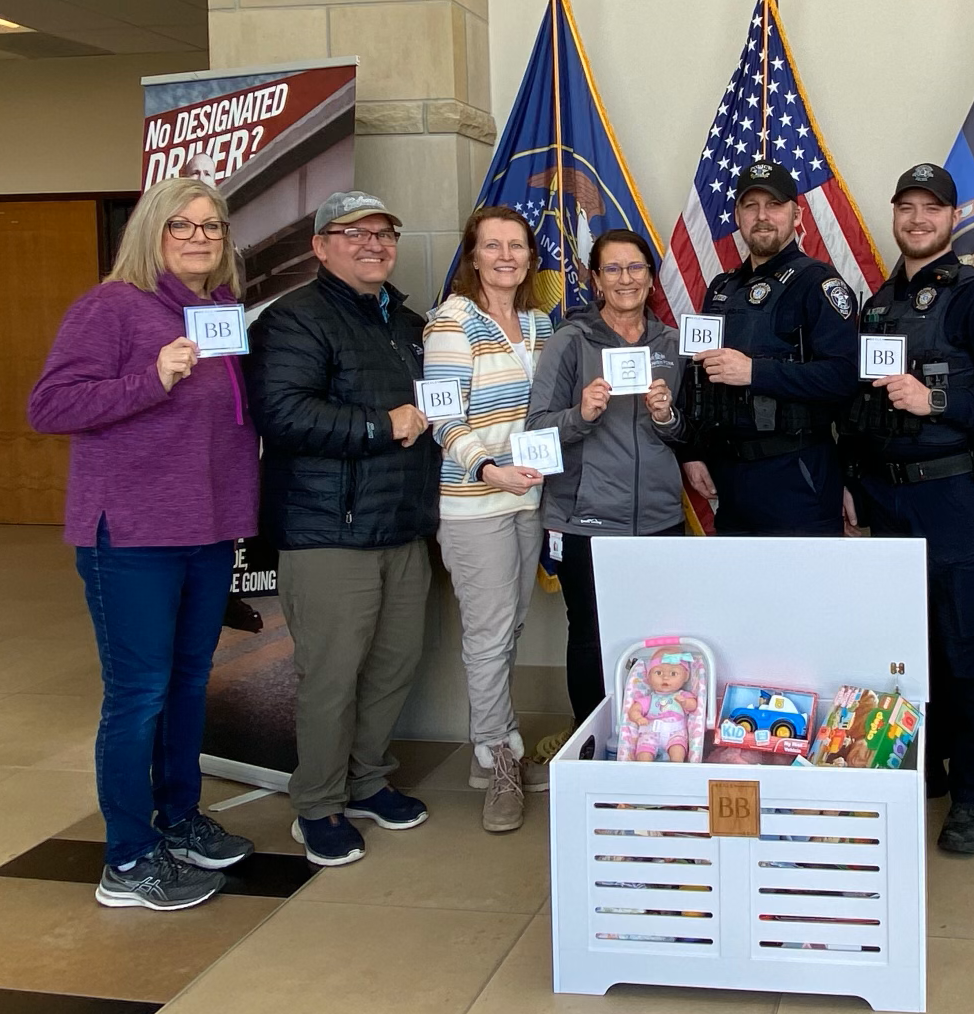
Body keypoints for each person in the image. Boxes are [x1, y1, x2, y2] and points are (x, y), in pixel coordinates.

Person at [28, 175, 256, 911]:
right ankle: (126, 859)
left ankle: (179, 820)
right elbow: (51, 406)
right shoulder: (111, 307)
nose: (199, 237)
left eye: (212, 226)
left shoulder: (222, 310)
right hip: (129, 535)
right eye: (181, 226)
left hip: (206, 528)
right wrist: (150, 378)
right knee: (139, 694)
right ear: (151, 235)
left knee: (190, 684)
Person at [246, 191, 439, 868]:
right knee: (332, 676)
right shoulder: (293, 319)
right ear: (319, 246)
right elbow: (282, 413)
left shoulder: (408, 324)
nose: (373, 244)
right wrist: (380, 425)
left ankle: (365, 780)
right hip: (328, 531)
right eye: (353, 233)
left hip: (402, 525)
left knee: (393, 666)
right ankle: (317, 804)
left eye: (384, 232)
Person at [841, 164, 974, 856]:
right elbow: (859, 405)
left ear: (954, 218)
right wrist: (852, 478)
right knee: (907, 648)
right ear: (894, 214)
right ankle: (929, 766)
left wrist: (937, 401)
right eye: (907, 207)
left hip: (955, 498)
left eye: (932, 208)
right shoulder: (878, 303)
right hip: (888, 497)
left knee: (966, 648)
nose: (918, 219)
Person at [524, 229, 691, 740]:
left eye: (635, 268)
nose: (625, 279)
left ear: (650, 277)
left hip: (661, 518)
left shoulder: (670, 343)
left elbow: (685, 432)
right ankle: (592, 743)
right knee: (593, 637)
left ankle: (655, 739)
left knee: (659, 640)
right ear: (595, 279)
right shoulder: (570, 342)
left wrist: (667, 417)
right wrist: (582, 414)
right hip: (588, 520)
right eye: (613, 269)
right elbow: (535, 430)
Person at [423, 204, 551, 832]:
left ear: (530, 257)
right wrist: (488, 470)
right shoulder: (452, 322)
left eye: (517, 246)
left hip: (528, 501)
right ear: (472, 255)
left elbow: (548, 411)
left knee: (512, 627)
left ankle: (499, 745)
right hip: (476, 504)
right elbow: (442, 418)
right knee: (489, 636)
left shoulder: (538, 324)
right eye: (492, 246)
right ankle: (496, 758)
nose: (506, 257)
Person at [681, 160, 858, 535]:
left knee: (801, 592)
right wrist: (693, 451)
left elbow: (843, 377)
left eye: (774, 205)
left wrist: (754, 372)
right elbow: (697, 375)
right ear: (737, 215)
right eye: (751, 205)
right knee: (740, 591)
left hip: (796, 474)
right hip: (731, 477)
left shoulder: (817, 283)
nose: (762, 216)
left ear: (796, 214)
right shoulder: (721, 289)